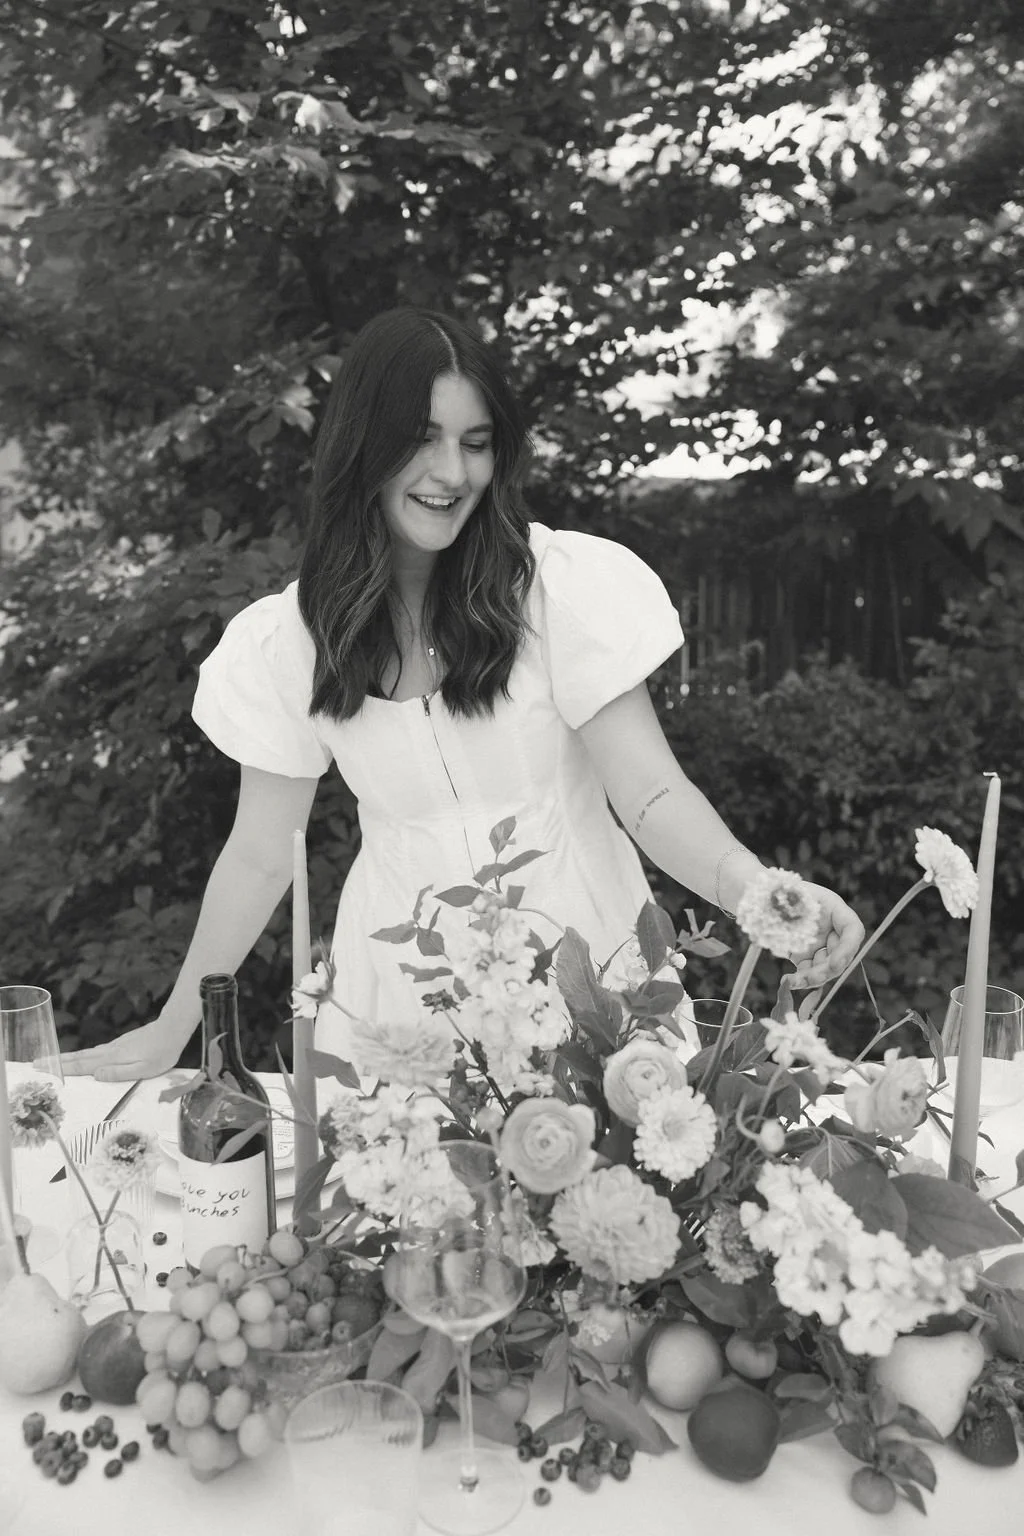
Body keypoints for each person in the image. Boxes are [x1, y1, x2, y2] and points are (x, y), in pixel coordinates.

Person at [62, 306, 864, 1083]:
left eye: (475, 444)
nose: (452, 474)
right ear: (363, 448)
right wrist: (175, 1028)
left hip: (590, 977)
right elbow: (261, 853)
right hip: (401, 1000)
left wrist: (764, 895)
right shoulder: (291, 639)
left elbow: (650, 792)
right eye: (422, 442)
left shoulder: (556, 590)